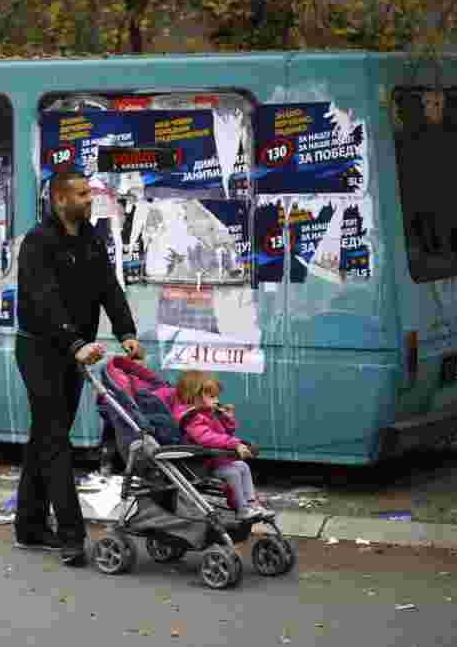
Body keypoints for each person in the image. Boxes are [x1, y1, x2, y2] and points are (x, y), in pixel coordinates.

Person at [14, 171, 142, 567]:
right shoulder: (38, 243)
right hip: (41, 351)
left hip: (75, 352)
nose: (90, 200)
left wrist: (126, 332)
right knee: (55, 440)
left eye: (89, 193)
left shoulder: (91, 238)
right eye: (82, 194)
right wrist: (75, 343)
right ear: (59, 200)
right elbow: (43, 301)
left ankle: (29, 527)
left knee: (45, 437)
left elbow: (108, 288)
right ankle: (71, 536)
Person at [170, 370, 272, 521]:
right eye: (212, 397)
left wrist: (227, 419)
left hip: (214, 459)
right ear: (194, 396)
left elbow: (225, 433)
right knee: (233, 473)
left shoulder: (206, 413)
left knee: (243, 466)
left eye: (217, 396)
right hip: (200, 463)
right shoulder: (191, 417)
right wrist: (235, 444)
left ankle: (252, 503)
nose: (217, 401)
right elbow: (206, 438)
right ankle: (242, 508)